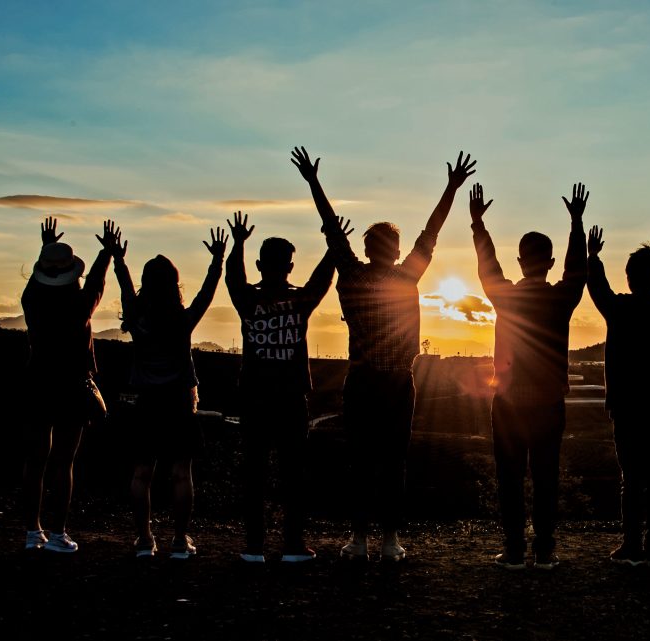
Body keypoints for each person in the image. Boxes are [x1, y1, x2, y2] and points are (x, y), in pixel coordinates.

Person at [292, 145, 476, 562]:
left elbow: (331, 229)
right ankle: (390, 540)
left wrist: (314, 182)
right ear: (394, 250)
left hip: (362, 380)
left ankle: (359, 539)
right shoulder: (406, 275)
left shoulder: (352, 274)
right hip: (396, 383)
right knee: (394, 462)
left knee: (360, 461)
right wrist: (450, 188)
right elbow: (431, 232)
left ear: (367, 246)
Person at [470, 181, 588, 571]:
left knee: (510, 477)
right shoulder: (561, 298)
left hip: (507, 402)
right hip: (550, 401)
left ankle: (515, 550)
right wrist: (576, 224)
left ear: (520, 261)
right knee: (546, 477)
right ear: (549, 262)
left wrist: (478, 226)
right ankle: (545, 550)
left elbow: (488, 268)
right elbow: (578, 271)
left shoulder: (505, 296)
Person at [224, 210, 351, 564]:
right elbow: (323, 280)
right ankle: (293, 545)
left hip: (254, 396)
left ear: (261, 264)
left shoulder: (248, 300)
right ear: (290, 266)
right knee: (293, 472)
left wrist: (237, 243)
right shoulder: (300, 300)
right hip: (292, 398)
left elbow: (232, 277)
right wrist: (333, 245)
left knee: (254, 471)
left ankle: (253, 547)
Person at [113, 226, 228, 560]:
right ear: (174, 284)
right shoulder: (182, 320)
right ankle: (179, 540)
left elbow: (124, 287)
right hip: (179, 401)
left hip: (146, 402)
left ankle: (144, 540)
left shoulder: (136, 317)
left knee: (142, 473)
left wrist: (119, 259)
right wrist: (217, 261)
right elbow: (207, 293)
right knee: (181, 473)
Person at [586, 225, 650, 567]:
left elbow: (597, 288)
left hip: (628, 406)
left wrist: (593, 257)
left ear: (629, 277)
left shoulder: (619, 309)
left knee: (631, 480)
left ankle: (631, 546)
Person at [20, 217, 121, 553]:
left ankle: (32, 531)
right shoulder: (79, 305)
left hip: (37, 381)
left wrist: (45, 247)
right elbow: (95, 282)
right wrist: (107, 251)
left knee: (35, 460)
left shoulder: (31, 298)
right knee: (64, 462)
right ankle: (58, 531)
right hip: (71, 385)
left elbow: (48, 279)